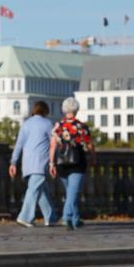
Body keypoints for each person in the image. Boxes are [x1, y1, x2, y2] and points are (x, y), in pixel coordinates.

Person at [48, 97, 96, 230]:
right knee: (73, 192)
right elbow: (89, 144)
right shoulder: (81, 126)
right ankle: (66, 217)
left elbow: (52, 146)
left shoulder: (58, 126)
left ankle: (75, 219)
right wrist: (93, 157)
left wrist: (51, 164)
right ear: (76, 109)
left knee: (70, 192)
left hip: (62, 163)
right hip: (77, 162)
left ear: (63, 110)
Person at [8, 101, 56, 228]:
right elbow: (54, 143)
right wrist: (52, 162)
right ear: (45, 111)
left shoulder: (26, 124)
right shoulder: (47, 124)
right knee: (34, 190)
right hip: (41, 162)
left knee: (41, 191)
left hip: (27, 163)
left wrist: (13, 162)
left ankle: (51, 217)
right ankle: (25, 217)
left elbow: (19, 145)